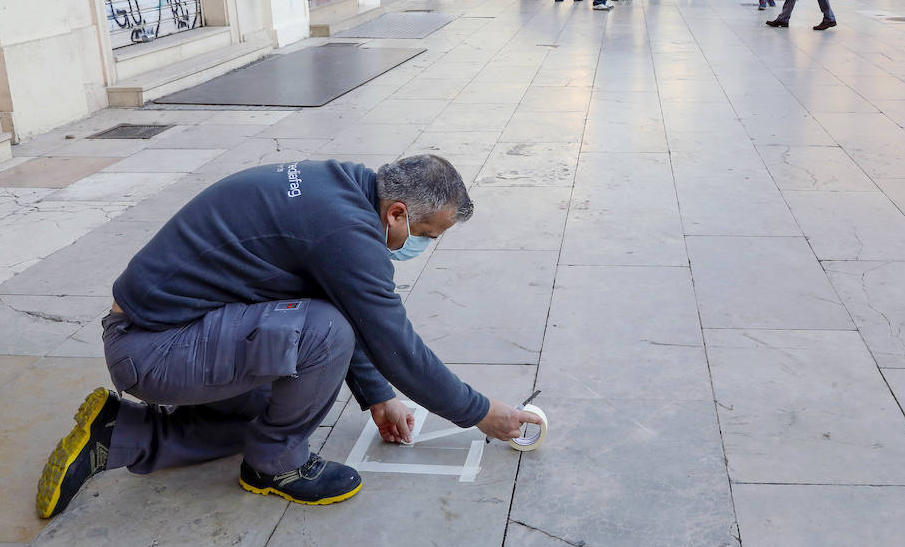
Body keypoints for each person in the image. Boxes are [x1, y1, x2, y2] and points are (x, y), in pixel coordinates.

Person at [34, 156, 542, 518]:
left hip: (172, 331)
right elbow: (393, 344)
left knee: (278, 402)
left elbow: (347, 307)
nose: (423, 246)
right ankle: (275, 466)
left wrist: (379, 398)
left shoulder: (341, 187)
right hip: (152, 347)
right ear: (397, 213)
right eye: (427, 235)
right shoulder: (345, 233)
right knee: (323, 334)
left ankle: (116, 434)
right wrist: (479, 411)